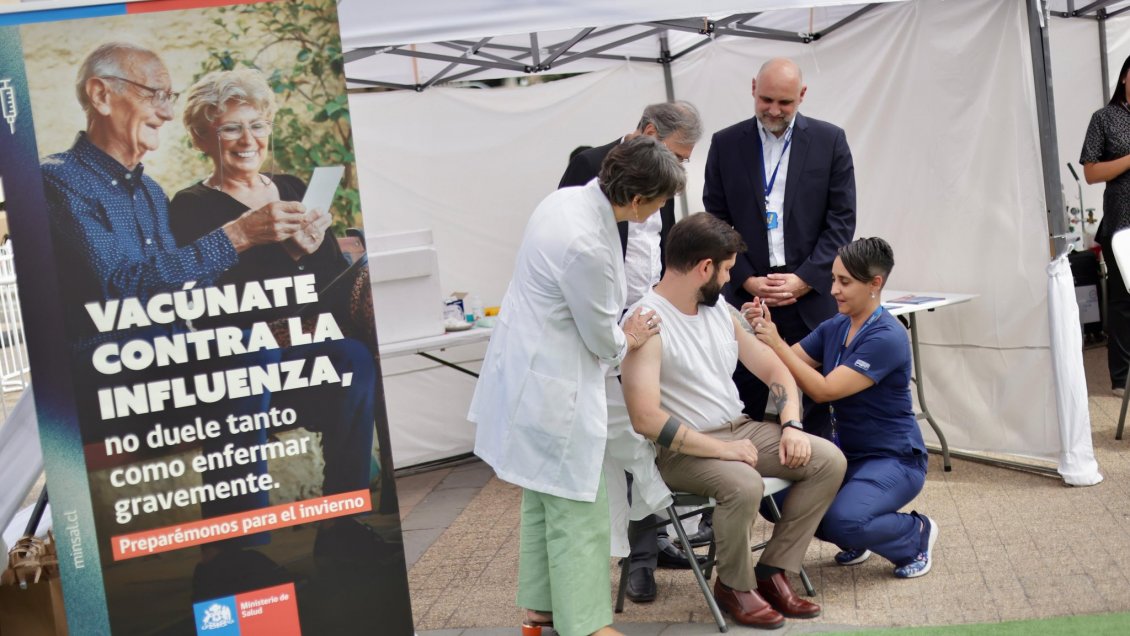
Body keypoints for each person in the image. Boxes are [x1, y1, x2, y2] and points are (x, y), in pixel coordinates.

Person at [43, 44, 382, 601]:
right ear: (101, 95)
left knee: (349, 359)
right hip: (110, 365)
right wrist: (240, 240)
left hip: (183, 350)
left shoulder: (146, 191)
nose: (167, 112)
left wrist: (304, 258)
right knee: (242, 347)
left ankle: (341, 524)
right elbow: (119, 288)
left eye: (169, 98)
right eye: (156, 95)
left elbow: (187, 292)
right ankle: (234, 555)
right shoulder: (60, 182)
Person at [469, 136, 685, 636]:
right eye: (657, 204)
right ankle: (584, 624)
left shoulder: (564, 200)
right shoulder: (587, 243)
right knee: (579, 505)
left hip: (526, 369)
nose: (657, 213)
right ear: (635, 199)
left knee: (542, 496)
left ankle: (542, 606)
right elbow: (602, 340)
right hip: (555, 386)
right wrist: (627, 337)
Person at [620, 212, 846, 629]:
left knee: (827, 459)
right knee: (744, 483)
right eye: (725, 270)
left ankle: (773, 571)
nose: (728, 280)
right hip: (680, 448)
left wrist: (793, 425)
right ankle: (733, 585)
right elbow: (645, 419)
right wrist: (724, 451)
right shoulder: (646, 321)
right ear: (704, 267)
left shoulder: (718, 311)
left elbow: (777, 371)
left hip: (738, 430)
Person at [559, 100, 706, 602]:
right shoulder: (589, 166)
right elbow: (575, 254)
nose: (681, 168)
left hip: (647, 323)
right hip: (603, 334)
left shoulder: (664, 184)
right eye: (678, 156)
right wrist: (615, 331)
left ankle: (658, 536)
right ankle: (636, 559)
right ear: (646, 132)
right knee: (621, 447)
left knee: (652, 436)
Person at [746, 237, 937, 578]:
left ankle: (914, 535)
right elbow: (788, 363)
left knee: (841, 520)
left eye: (844, 281)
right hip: (846, 457)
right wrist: (760, 329)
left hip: (894, 460)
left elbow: (823, 390)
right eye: (833, 279)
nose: (833, 289)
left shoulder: (887, 337)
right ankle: (858, 534)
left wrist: (776, 341)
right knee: (773, 500)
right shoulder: (836, 326)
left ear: (875, 283)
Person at [703, 57, 856, 439]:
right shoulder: (725, 143)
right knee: (745, 397)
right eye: (766, 99)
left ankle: (818, 488)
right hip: (750, 297)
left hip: (810, 298)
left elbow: (842, 220)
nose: (774, 110)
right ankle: (755, 493)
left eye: (784, 103)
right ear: (753, 88)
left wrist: (805, 279)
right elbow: (716, 220)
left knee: (818, 402)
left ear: (802, 95)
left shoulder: (829, 140)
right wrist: (746, 279)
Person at [1082, 53, 1130, 397]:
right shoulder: (1105, 118)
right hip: (1122, 223)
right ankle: (1121, 377)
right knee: (1123, 300)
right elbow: (1091, 172)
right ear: (1126, 77)